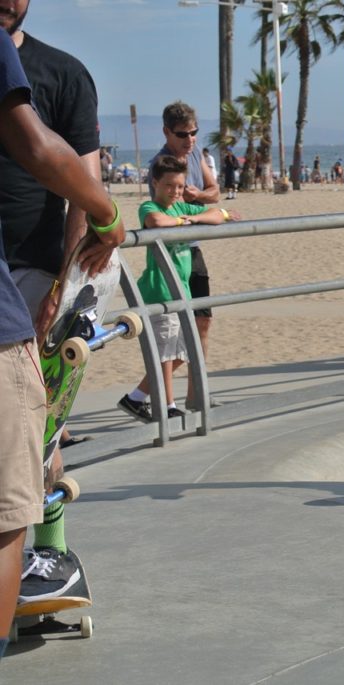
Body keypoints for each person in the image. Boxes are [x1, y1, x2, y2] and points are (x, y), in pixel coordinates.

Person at [0, 28, 124, 659]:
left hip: (40, 269)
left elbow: (78, 171)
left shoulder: (63, 72)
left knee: (40, 422)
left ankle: (47, 553)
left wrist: (66, 280)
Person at [118, 156, 239, 423]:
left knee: (184, 350)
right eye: (169, 185)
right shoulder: (150, 205)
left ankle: (137, 397)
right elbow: (156, 223)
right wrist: (186, 222)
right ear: (155, 183)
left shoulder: (181, 206)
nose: (175, 191)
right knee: (165, 352)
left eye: (180, 186)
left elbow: (216, 214)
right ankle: (168, 405)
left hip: (180, 291)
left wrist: (214, 215)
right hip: (159, 290)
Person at [147, 101, 221, 411]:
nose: (189, 139)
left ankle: (196, 393)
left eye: (193, 133)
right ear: (167, 132)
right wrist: (191, 209)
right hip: (169, 255)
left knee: (202, 322)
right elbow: (159, 212)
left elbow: (215, 191)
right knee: (170, 335)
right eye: (182, 134)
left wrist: (197, 197)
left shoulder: (195, 154)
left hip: (193, 251)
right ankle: (150, 396)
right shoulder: (160, 165)